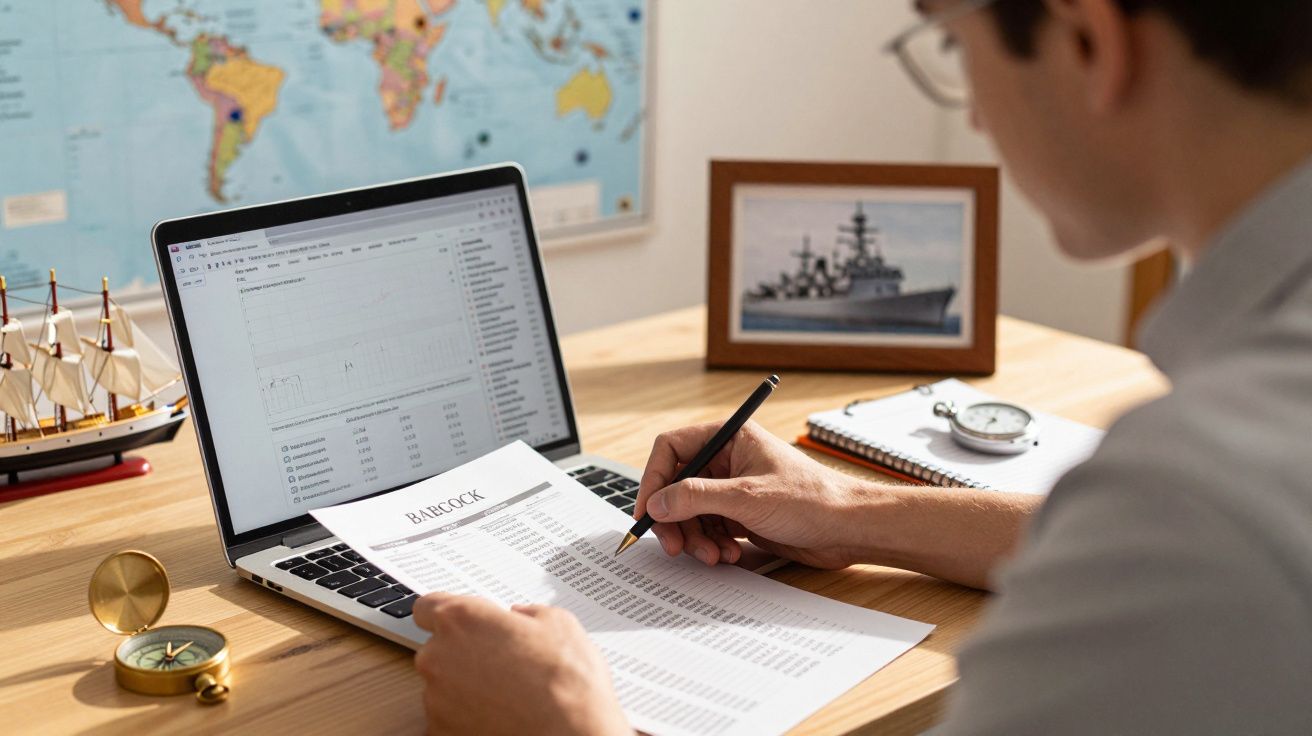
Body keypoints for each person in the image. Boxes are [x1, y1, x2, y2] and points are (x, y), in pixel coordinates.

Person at [411, 0, 1312, 732]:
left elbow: (1172, 537)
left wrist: (564, 726)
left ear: (1087, 39)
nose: (969, 112)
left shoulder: (1198, 497)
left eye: (955, 47)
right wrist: (849, 511)